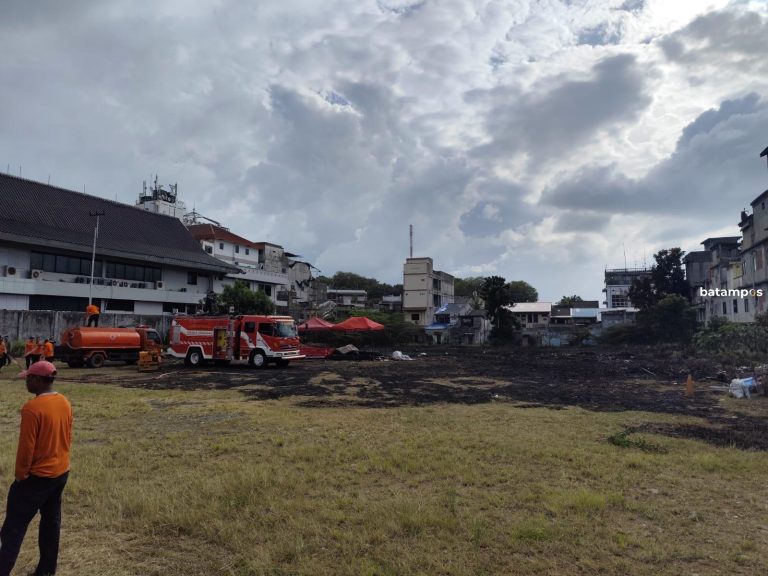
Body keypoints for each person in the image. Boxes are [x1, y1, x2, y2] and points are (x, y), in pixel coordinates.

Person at [0, 361, 73, 576]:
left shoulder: (32, 409)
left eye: (29, 378)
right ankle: (46, 570)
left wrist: (21, 476)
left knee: (13, 529)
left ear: (39, 380)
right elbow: (67, 438)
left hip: (36, 478)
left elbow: (26, 450)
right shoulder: (64, 402)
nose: (26, 382)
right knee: (51, 523)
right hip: (60, 473)